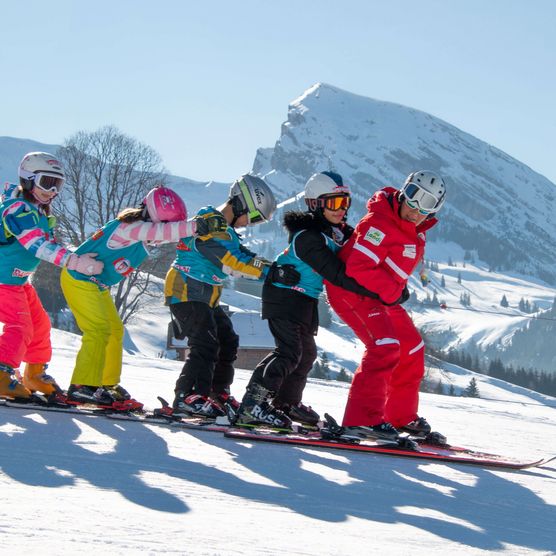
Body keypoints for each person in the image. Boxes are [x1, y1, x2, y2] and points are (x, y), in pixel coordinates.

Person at [236, 171, 381, 429]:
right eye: (334, 203)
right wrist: (380, 290)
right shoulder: (307, 237)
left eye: (345, 202)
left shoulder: (334, 232)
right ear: (315, 203)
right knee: (289, 352)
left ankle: (285, 403)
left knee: (306, 354)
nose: (341, 209)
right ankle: (252, 405)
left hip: (304, 300)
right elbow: (336, 274)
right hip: (283, 296)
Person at [60, 184, 221, 408]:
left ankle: (107, 385)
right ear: (155, 219)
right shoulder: (130, 227)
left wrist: (202, 226)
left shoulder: (141, 232)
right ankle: (82, 386)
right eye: (165, 224)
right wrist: (196, 226)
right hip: (79, 280)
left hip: (95, 284)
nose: (165, 231)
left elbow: (163, 235)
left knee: (115, 331)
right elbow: (162, 233)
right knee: (98, 331)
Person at [164, 174, 300, 418]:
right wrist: (272, 274)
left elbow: (246, 257)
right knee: (205, 344)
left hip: (205, 296)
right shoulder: (209, 223)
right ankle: (188, 396)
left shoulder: (226, 231)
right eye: (253, 216)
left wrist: (273, 269)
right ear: (241, 204)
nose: (251, 223)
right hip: (186, 291)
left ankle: (217, 392)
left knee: (228, 339)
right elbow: (232, 262)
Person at [326, 170, 446, 440]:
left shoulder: (414, 230)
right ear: (405, 192)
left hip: (379, 295)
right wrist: (394, 291)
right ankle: (360, 420)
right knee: (384, 346)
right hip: (352, 293)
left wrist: (396, 290)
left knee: (412, 347)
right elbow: (358, 266)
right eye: (414, 199)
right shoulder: (379, 223)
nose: (416, 210)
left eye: (426, 207)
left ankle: (399, 416)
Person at [0, 152, 104, 400]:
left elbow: (49, 243)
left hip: (18, 282)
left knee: (39, 325)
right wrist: (74, 262)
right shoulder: (17, 210)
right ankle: (2, 373)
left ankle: (34, 373)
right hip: (3, 282)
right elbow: (35, 244)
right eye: (47, 183)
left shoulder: (39, 212)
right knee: (20, 326)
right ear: (28, 179)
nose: (53, 191)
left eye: (58, 185)